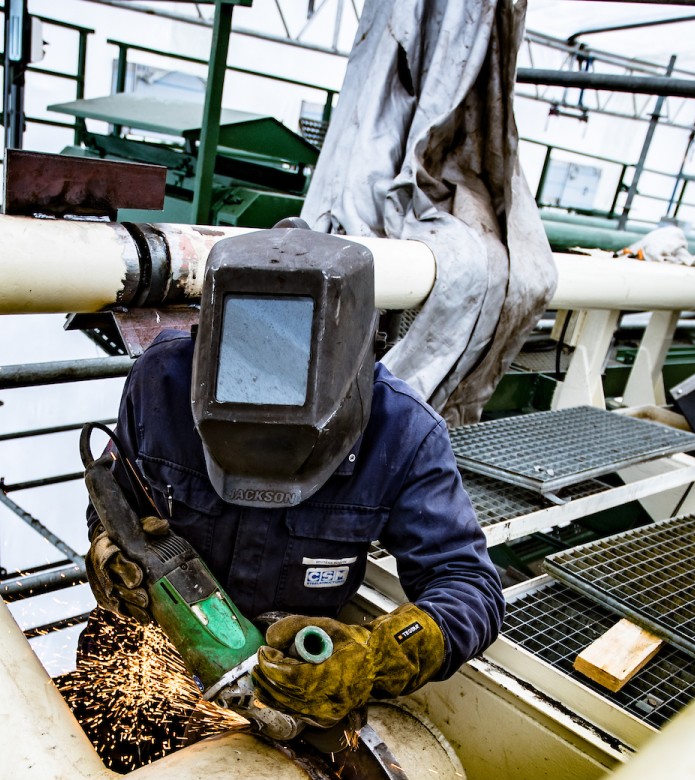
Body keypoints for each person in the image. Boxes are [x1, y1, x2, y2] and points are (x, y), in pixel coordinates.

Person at [86, 226, 504, 731]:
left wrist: (376, 657)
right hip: (146, 661)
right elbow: (113, 500)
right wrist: (106, 551)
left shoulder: (404, 433)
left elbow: (469, 587)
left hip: (289, 688)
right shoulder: (162, 382)